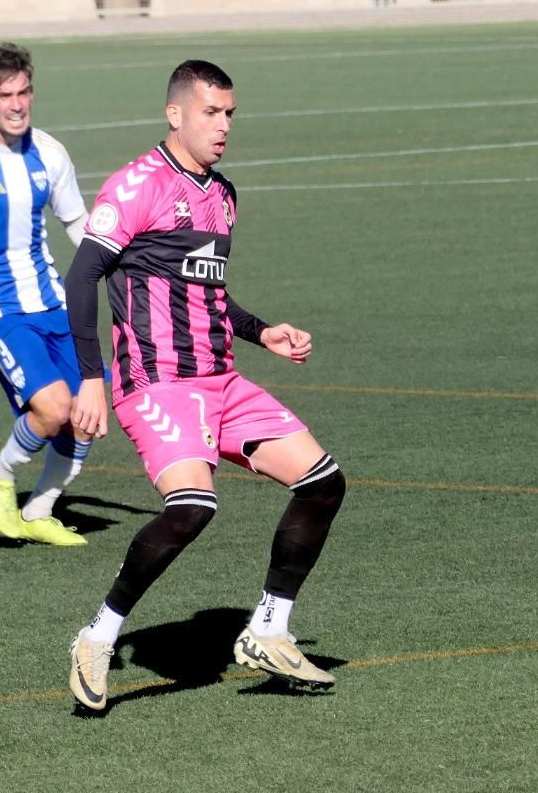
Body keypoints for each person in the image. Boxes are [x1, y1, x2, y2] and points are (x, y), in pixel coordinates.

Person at [63, 60, 347, 711]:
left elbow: (208, 292)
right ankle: (97, 637)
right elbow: (82, 277)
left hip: (222, 379)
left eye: (229, 114)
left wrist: (262, 331)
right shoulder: (137, 185)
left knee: (323, 482)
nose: (223, 126)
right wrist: (90, 378)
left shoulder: (222, 195)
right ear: (176, 114)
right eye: (210, 113)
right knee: (193, 506)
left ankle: (268, 630)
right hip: (157, 381)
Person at [0, 43, 94, 546]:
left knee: (87, 414)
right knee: (53, 408)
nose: (16, 104)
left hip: (52, 301)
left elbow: (77, 222)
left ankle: (39, 510)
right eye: (5, 95)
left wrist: (122, 270)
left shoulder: (49, 153)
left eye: (24, 92)